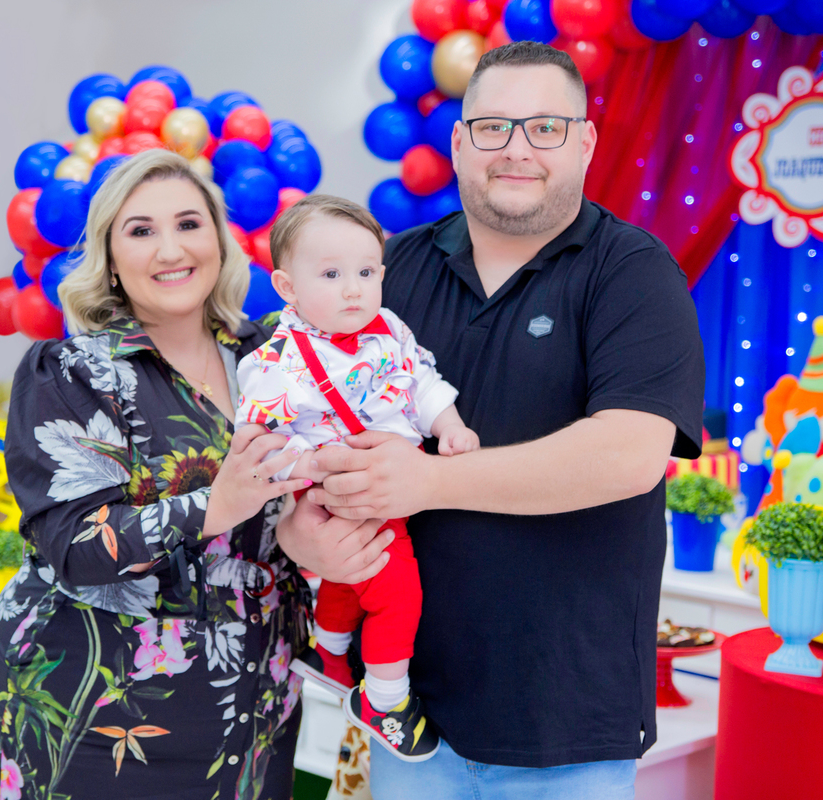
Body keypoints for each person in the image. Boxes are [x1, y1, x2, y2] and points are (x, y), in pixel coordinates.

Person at [276, 41, 706, 800]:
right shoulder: (389, 270)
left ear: (584, 141)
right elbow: (295, 401)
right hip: (409, 717)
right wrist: (300, 527)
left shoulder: (632, 273)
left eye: (544, 128)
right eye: (492, 127)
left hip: (569, 724)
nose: (516, 150)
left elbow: (628, 455)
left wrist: (428, 480)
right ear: (458, 141)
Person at [0, 150, 391, 800]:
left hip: (252, 704)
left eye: (189, 224)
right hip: (96, 716)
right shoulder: (70, 371)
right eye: (141, 230)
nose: (170, 248)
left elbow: (316, 487)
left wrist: (306, 541)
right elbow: (74, 549)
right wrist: (213, 505)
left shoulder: (272, 359)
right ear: (111, 257)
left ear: (221, 242)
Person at [234, 195, 479, 763]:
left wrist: (451, 425)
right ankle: (386, 699)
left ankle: (330, 654)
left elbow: (422, 383)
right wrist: (314, 467)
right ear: (287, 287)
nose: (353, 289)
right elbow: (258, 449)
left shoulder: (388, 329)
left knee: (347, 583)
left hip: (395, 486)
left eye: (366, 273)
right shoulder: (274, 363)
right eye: (332, 274)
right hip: (338, 492)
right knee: (397, 594)